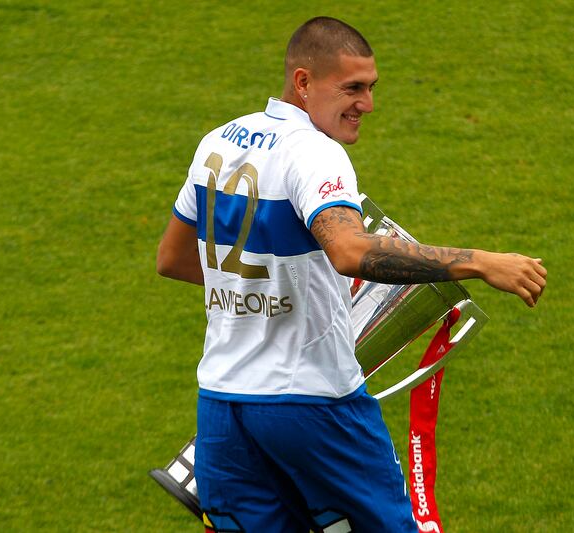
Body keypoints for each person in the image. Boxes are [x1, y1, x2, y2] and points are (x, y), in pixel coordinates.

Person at [156, 16, 547, 533]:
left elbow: (174, 259)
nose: (367, 104)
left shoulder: (218, 143)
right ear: (303, 82)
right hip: (312, 404)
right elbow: (347, 250)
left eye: (371, 88)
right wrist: (479, 261)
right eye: (352, 88)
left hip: (223, 405)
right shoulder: (314, 152)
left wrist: (264, 285)